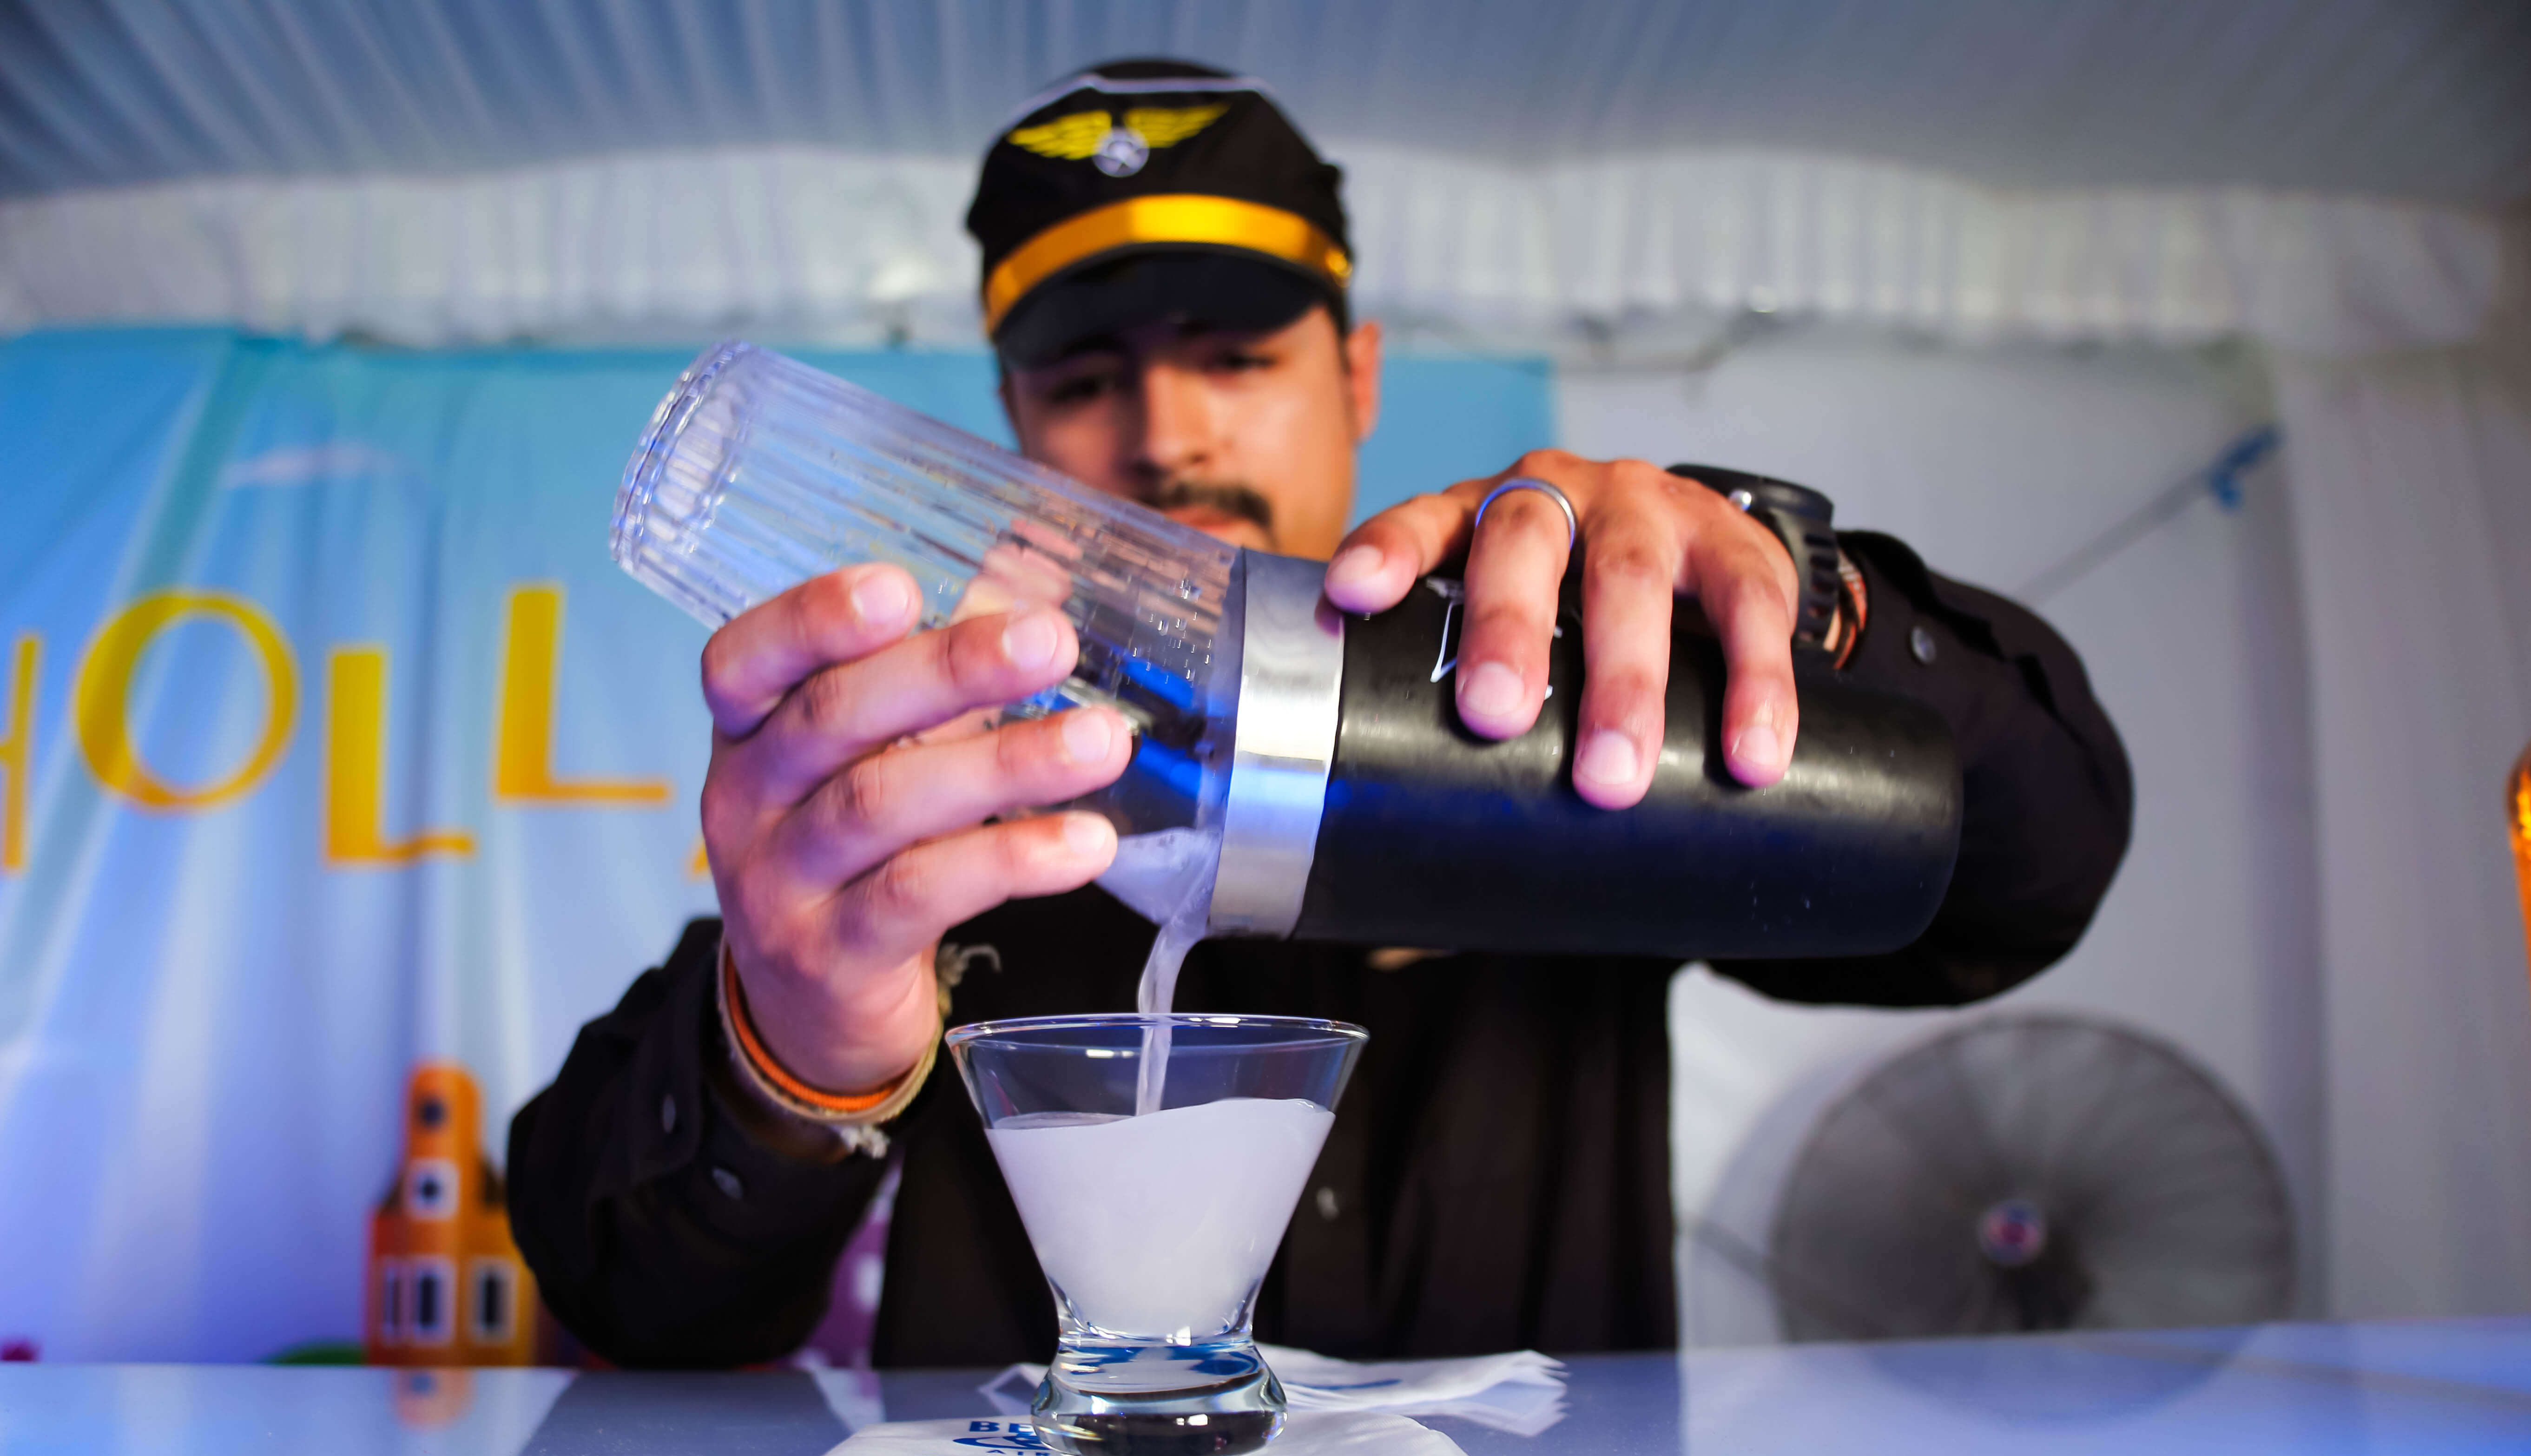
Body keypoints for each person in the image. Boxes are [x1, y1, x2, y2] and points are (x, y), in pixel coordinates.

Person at [507, 62, 2132, 1369]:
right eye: (1084, 378)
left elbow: (2025, 881)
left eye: (1235, 356)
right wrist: (792, 1055)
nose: (1165, 434)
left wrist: (1807, 611)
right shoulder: (937, 798)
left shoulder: (1560, 693)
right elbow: (619, 1288)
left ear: (1355, 378)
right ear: (1011, 419)